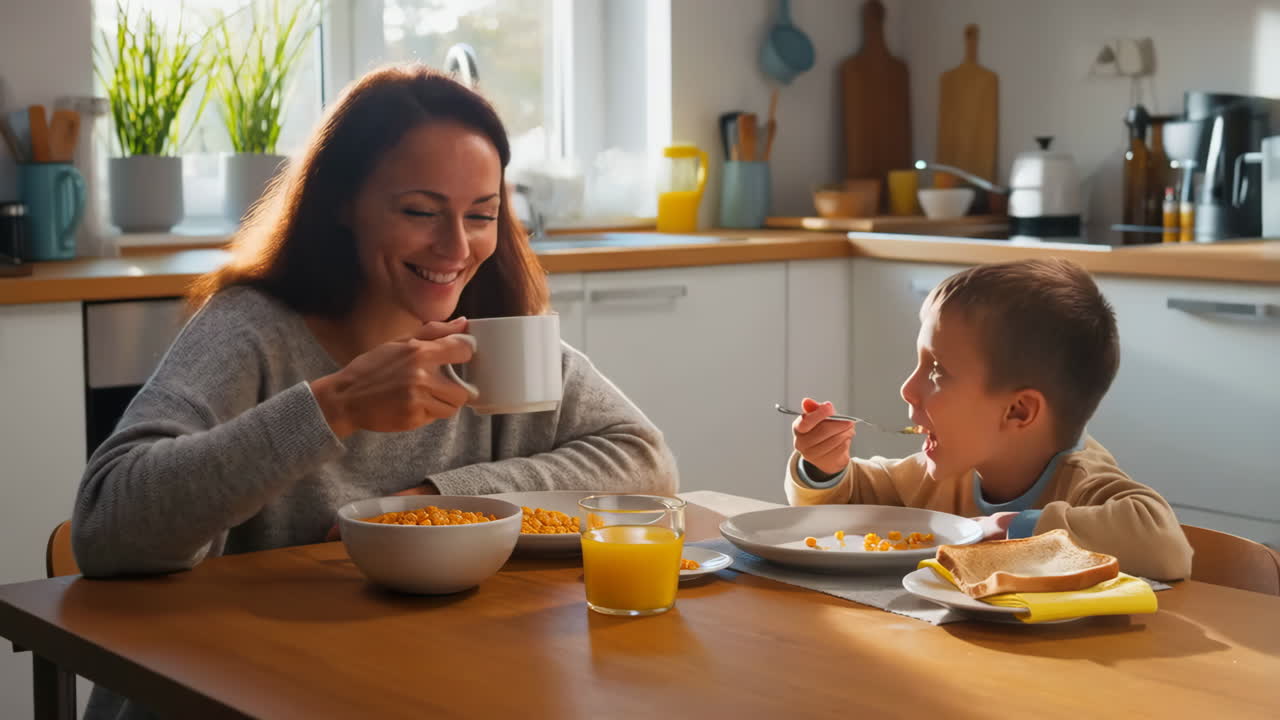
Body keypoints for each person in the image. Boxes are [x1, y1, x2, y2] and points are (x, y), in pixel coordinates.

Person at [73, 64, 677, 582]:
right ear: (341, 202)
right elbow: (105, 529)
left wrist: (440, 504)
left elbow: (646, 462)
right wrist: (337, 404)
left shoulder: (499, 338)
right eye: (420, 210)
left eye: (481, 215)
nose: (456, 246)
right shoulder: (252, 331)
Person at [786, 258, 1192, 580]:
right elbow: (855, 504)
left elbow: (1164, 544)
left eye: (936, 371)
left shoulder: (1081, 482)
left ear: (1018, 412)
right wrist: (825, 470)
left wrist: (1016, 528)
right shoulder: (945, 474)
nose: (907, 389)